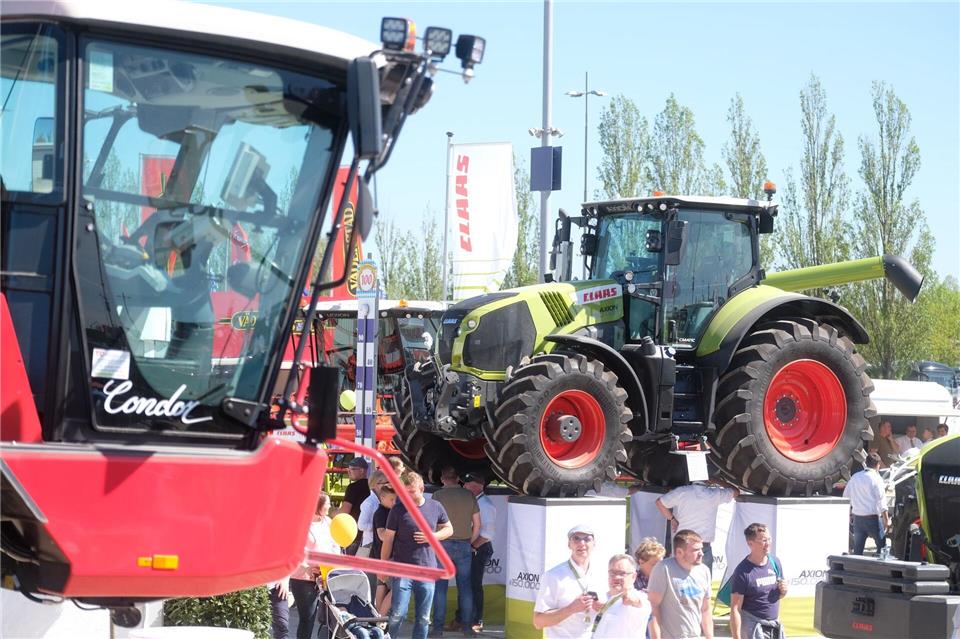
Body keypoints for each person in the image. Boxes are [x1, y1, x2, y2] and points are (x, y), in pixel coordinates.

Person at [381, 471, 453, 639]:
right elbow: (388, 539)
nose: (408, 496)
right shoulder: (397, 510)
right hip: (402, 568)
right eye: (405, 492)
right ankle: (389, 637)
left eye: (411, 492)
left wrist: (432, 536)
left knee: (423, 617)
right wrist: (383, 566)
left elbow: (449, 529)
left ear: (421, 489)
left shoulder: (435, 506)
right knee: (398, 612)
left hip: (427, 569)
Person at [430, 467, 480, 637]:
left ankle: (437, 629)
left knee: (440, 588)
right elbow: (477, 524)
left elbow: (432, 523)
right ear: (458, 478)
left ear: (442, 479)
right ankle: (466, 627)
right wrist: (470, 542)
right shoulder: (469, 495)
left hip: (442, 545)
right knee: (465, 587)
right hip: (464, 544)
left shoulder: (437, 496)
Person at [532, 524, 606, 638]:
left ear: (594, 543)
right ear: (569, 544)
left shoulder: (602, 574)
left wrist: (602, 609)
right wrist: (570, 609)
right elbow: (538, 622)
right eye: (576, 538)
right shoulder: (553, 576)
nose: (582, 543)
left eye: (587, 539)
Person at [656, 479, 739, 573]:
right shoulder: (714, 494)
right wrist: (718, 481)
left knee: (679, 583)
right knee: (703, 585)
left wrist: (672, 520)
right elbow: (736, 492)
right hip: (703, 547)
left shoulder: (682, 491)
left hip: (684, 546)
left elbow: (659, 502)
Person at [289, 492, 340, 639]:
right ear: (317, 506)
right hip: (304, 578)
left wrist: (333, 563)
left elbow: (335, 544)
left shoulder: (329, 522)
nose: (330, 506)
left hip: (327, 576)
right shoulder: (301, 524)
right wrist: (307, 567)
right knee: (308, 617)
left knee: (331, 617)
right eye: (327, 504)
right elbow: (295, 551)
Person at [647, 529, 713, 639]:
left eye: (701, 548)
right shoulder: (663, 569)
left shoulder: (704, 571)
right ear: (679, 552)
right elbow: (653, 607)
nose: (701, 553)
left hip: (695, 636)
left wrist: (710, 637)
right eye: (696, 550)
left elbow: (705, 609)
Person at [729, 523, 787, 639]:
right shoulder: (743, 572)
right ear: (750, 543)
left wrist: (783, 592)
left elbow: (775, 596)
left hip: (774, 626)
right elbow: (735, 609)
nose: (768, 543)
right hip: (753, 627)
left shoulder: (775, 562)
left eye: (769, 539)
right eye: (764, 540)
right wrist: (736, 637)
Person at [592, 554, 660, 639]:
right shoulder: (603, 597)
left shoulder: (641, 597)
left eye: (622, 573)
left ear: (634, 576)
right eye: (612, 573)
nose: (616, 577)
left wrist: (634, 601)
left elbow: (640, 603)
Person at [462, 472, 496, 634]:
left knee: (474, 585)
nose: (464, 486)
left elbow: (488, 533)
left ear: (476, 486)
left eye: (467, 483)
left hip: (479, 548)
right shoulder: (478, 502)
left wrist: (473, 547)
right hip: (475, 547)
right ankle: (463, 618)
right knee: (467, 584)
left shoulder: (485, 505)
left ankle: (477, 620)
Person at [842, 452, 888, 555]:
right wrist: (886, 519)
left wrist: (849, 514)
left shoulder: (855, 477)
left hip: (858, 518)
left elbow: (846, 497)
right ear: (878, 465)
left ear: (866, 463)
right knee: (882, 547)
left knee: (858, 549)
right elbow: (882, 501)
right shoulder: (877, 479)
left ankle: (855, 569)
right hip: (873, 519)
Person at [338, 457, 371, 555]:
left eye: (351, 469)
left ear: (362, 470)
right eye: (348, 469)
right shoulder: (372, 486)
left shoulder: (352, 488)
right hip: (367, 536)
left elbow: (344, 512)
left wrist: (331, 511)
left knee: (348, 568)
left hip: (352, 535)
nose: (348, 472)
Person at [373, 483, 397, 614]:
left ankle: (377, 616)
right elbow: (382, 535)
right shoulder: (381, 513)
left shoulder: (388, 511)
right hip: (386, 556)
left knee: (381, 585)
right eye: (391, 499)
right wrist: (396, 532)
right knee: (396, 588)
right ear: (382, 497)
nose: (394, 502)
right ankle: (381, 616)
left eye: (396, 499)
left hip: (382, 556)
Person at [358, 470, 388, 558]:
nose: (388, 485)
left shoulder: (381, 500)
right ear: (375, 485)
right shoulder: (369, 503)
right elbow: (361, 525)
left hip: (378, 543)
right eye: (385, 482)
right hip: (370, 544)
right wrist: (378, 527)